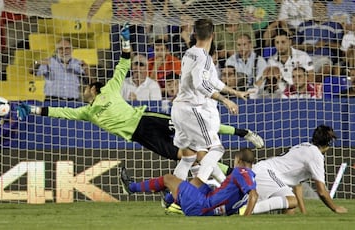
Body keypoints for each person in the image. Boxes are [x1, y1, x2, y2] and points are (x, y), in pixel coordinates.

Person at [16, 23, 264, 164]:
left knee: (192, 126)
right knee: (181, 155)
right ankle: (225, 172)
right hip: (139, 135)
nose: (83, 92)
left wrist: (126, 41)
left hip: (146, 118)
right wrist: (33, 109)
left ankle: (242, 134)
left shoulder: (111, 88)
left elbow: (124, 62)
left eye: (86, 88)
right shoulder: (86, 112)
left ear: (94, 89)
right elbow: (60, 112)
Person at [170, 18, 249, 188]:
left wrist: (236, 93)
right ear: (213, 35)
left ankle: (172, 198)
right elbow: (201, 85)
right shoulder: (203, 58)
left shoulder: (189, 52)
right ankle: (192, 190)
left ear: (195, 34)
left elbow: (213, 81)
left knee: (189, 157)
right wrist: (225, 100)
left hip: (178, 109)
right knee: (215, 149)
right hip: (191, 110)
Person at [120, 148, 258, 216]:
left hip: (201, 206)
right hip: (210, 206)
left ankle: (131, 187)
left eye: (234, 160)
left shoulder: (241, 172)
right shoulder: (252, 177)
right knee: (201, 183)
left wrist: (245, 219)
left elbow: (254, 196)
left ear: (239, 161)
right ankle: (170, 199)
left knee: (168, 179)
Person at [251, 125, 348, 214]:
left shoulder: (305, 146)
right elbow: (322, 191)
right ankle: (247, 210)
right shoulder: (315, 155)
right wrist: (335, 208)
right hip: (266, 173)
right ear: (329, 143)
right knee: (291, 201)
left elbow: (297, 185)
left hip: (263, 171)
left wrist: (303, 211)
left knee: (290, 206)